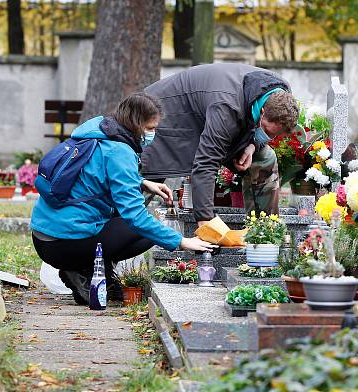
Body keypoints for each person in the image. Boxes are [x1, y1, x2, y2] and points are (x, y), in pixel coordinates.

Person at [31, 93, 215, 305]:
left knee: (128, 224)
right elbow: (135, 216)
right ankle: (85, 271)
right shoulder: (120, 151)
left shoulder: (98, 131)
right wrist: (181, 241)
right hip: (63, 246)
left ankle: (91, 271)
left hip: (44, 238)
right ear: (136, 125)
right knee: (146, 232)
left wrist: (142, 182)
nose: (152, 135)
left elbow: (94, 174)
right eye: (150, 128)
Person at [141, 63, 300, 227]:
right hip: (164, 114)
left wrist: (253, 144)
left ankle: (265, 231)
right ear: (262, 112)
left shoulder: (280, 94)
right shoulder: (226, 108)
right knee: (145, 182)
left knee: (265, 157)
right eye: (266, 130)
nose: (270, 138)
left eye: (276, 135)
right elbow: (206, 162)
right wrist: (205, 220)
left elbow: (258, 127)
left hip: (207, 114)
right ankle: (116, 234)